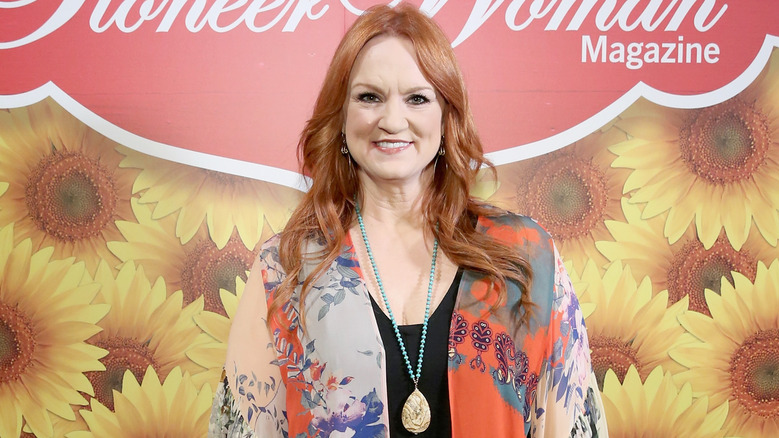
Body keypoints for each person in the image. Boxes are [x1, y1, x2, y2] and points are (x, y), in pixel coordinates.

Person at [209, 3, 607, 437]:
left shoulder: (527, 258)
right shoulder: (283, 269)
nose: (392, 120)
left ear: (446, 115)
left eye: (417, 98)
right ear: (340, 117)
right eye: (369, 97)